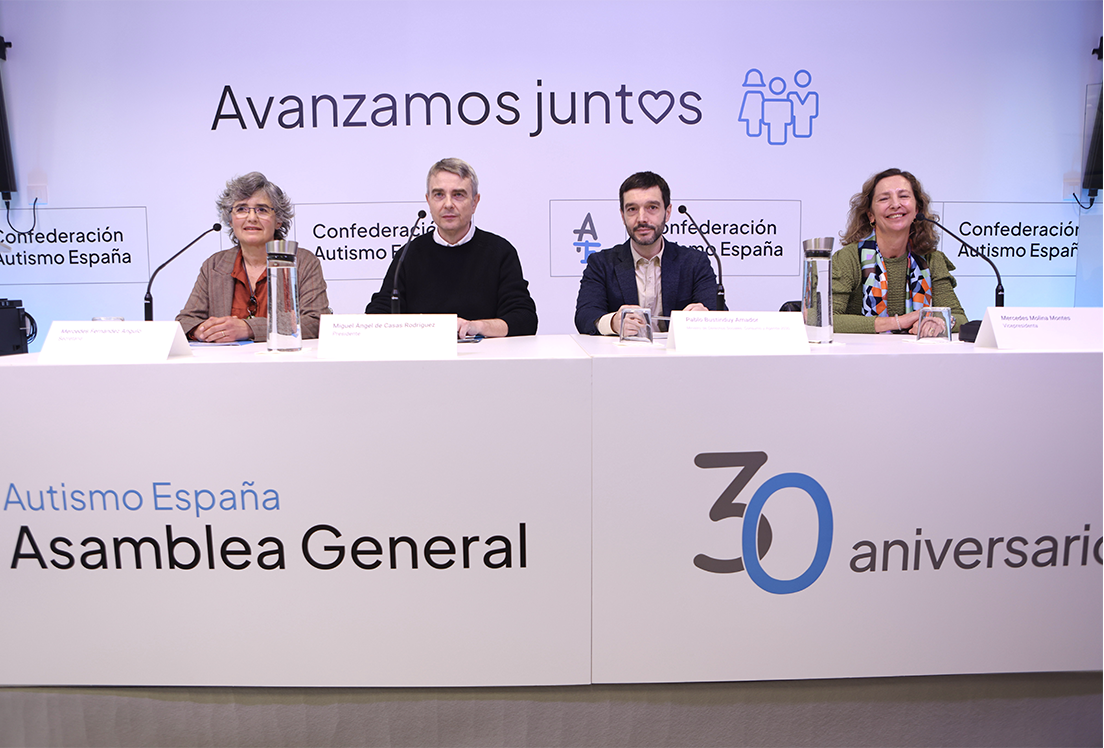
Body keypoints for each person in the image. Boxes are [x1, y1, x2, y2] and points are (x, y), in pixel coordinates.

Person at [364, 158, 538, 338]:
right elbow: (377, 315)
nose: (448, 204)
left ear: (474, 202)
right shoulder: (409, 254)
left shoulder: (500, 251)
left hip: (484, 360)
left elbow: (524, 319)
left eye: (458, 195)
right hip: (424, 361)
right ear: (428, 201)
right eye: (439, 194)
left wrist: (475, 327)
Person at [176, 172, 329, 342]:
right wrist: (202, 331)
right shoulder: (214, 265)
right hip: (228, 365)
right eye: (241, 209)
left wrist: (249, 328)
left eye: (262, 210)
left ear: (278, 220)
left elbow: (316, 322)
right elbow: (185, 321)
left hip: (283, 363)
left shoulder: (302, 261)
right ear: (230, 219)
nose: (251, 218)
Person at [574, 171, 720, 336]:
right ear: (622, 215)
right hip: (622, 358)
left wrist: (705, 317)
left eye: (652, 207)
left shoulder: (694, 262)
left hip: (679, 358)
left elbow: (718, 314)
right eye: (632, 209)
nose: (642, 218)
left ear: (668, 212)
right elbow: (585, 316)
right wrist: (613, 322)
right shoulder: (601, 263)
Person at [833, 168, 967, 335]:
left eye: (903, 196)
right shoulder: (850, 258)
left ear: (917, 210)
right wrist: (899, 322)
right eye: (884, 198)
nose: (896, 204)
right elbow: (824, 319)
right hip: (862, 358)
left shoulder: (932, 259)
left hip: (919, 358)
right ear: (870, 215)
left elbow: (959, 317)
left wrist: (941, 323)